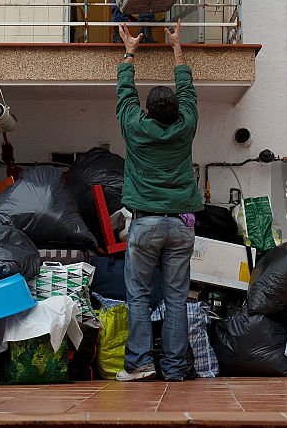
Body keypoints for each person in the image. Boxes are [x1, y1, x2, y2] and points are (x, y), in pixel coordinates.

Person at [114, 19, 201, 382]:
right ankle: (176, 368)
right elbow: (188, 89)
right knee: (177, 298)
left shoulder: (135, 125)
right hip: (180, 226)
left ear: (148, 110)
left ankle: (140, 365)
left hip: (146, 224)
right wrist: (176, 46)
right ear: (177, 110)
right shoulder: (186, 125)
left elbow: (125, 92)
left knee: (138, 297)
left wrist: (129, 52)